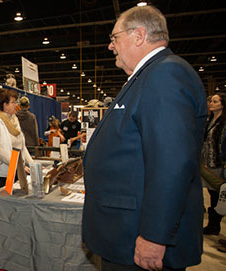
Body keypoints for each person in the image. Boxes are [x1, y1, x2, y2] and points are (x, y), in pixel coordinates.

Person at [82, 5, 207, 271]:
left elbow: (171, 163)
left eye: (114, 38)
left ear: (138, 36)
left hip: (139, 234)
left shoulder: (164, 75)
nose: (110, 46)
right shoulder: (147, 76)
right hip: (125, 230)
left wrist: (154, 236)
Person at [0, 88, 33, 192]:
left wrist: (33, 165)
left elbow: (22, 147)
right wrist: (18, 165)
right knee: (3, 204)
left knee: (16, 203)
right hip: (1, 176)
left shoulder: (15, 121)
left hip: (17, 172)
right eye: (13, 102)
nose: (16, 105)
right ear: (4, 104)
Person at [201, 94, 226, 235]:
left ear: (222, 104)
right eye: (211, 101)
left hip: (220, 163)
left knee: (220, 194)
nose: (211, 103)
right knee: (213, 194)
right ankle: (214, 225)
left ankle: (215, 224)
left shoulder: (224, 122)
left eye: (215, 101)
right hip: (209, 163)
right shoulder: (210, 120)